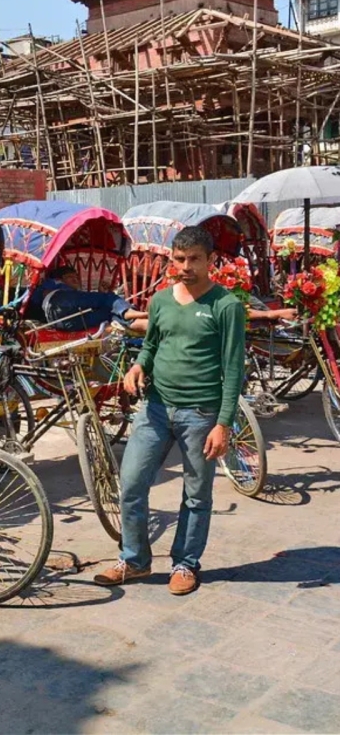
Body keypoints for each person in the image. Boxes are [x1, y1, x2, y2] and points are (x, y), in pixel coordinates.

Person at [94, 226, 246, 596]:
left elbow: (233, 369)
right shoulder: (160, 301)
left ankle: (185, 564)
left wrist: (223, 424)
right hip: (156, 409)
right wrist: (138, 366)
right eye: (179, 259)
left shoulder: (226, 306)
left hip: (201, 413)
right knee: (130, 483)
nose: (186, 266)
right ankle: (134, 560)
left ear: (211, 261)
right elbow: (151, 345)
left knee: (196, 495)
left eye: (195, 259)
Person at [27, 266, 148, 333]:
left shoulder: (76, 295)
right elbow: (39, 296)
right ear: (60, 279)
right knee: (108, 297)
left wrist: (99, 294)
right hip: (58, 302)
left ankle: (134, 323)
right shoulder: (54, 284)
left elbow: (87, 302)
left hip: (67, 323)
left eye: (76, 277)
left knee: (108, 312)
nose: (75, 280)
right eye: (70, 277)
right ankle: (127, 312)